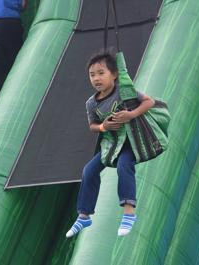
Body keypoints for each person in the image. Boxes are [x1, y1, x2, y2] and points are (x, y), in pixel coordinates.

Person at [66, 51, 155, 238]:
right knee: (88, 170)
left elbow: (149, 101)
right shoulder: (91, 103)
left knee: (124, 165)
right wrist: (103, 126)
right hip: (111, 144)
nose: (96, 78)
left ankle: (129, 213)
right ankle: (84, 215)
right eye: (92, 74)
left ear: (114, 74)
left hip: (130, 141)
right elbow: (92, 126)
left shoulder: (124, 91)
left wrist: (131, 114)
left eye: (101, 73)